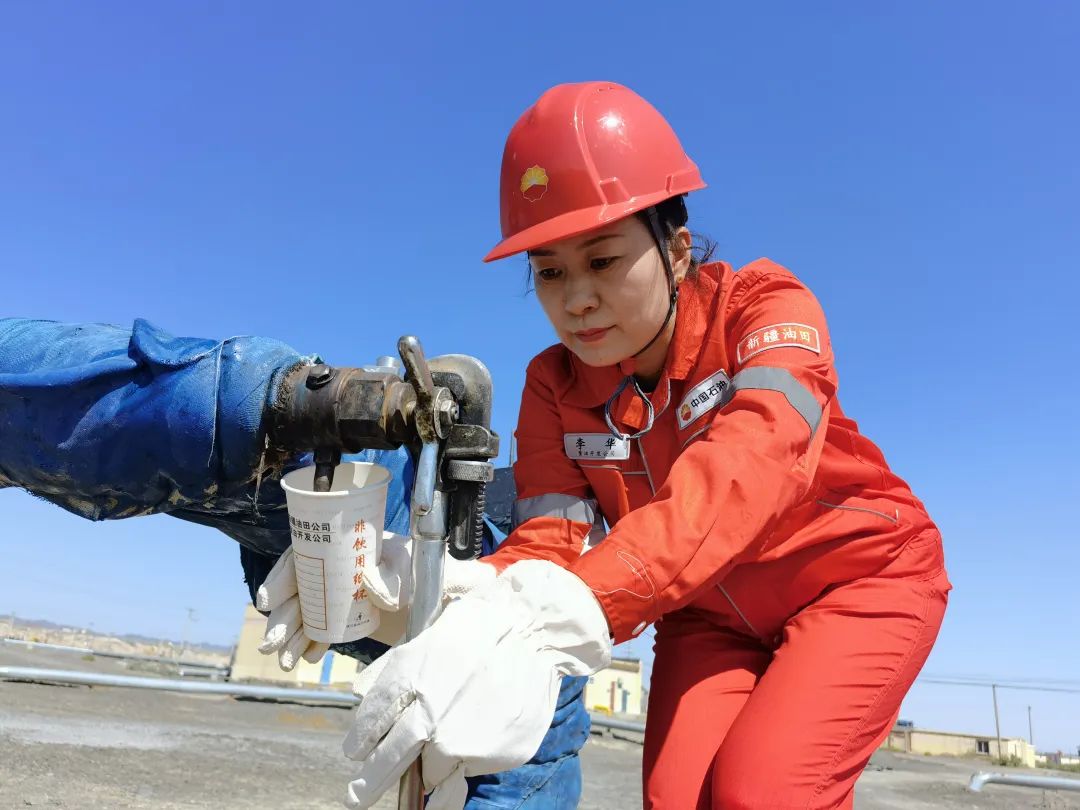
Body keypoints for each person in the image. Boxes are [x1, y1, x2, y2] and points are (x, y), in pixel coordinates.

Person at [342, 81, 952, 810]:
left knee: (762, 794)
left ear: (677, 247)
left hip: (856, 579)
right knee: (677, 800)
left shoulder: (763, 306)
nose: (575, 298)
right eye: (549, 271)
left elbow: (753, 465)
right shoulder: (551, 386)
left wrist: (578, 604)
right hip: (704, 614)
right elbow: (548, 542)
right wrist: (453, 587)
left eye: (601, 260)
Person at [0, 316, 589, 808]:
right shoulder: (564, 402)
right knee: (268, 419)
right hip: (404, 523)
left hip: (453, 573)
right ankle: (302, 404)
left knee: (539, 702)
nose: (579, 298)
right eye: (551, 270)